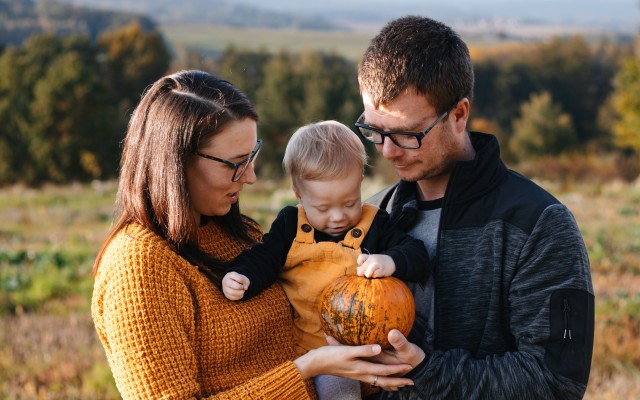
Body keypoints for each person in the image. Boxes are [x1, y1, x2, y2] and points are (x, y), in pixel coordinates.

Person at [90, 70, 416, 400]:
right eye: (235, 163)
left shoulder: (241, 233)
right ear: (176, 163)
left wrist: (365, 369)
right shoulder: (138, 267)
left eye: (252, 156)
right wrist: (306, 369)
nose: (251, 176)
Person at [353, 15, 595, 399]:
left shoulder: (537, 224)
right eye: (374, 131)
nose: (387, 150)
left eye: (407, 134)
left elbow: (556, 380)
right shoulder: (370, 216)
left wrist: (427, 371)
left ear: (459, 114)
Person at [221, 120, 431, 400]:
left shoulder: (375, 224)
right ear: (299, 194)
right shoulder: (290, 226)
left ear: (360, 183)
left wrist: (390, 261)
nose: (338, 217)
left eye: (349, 203)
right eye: (322, 207)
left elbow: (418, 255)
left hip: (374, 348)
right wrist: (241, 275)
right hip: (316, 352)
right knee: (339, 392)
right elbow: (264, 258)